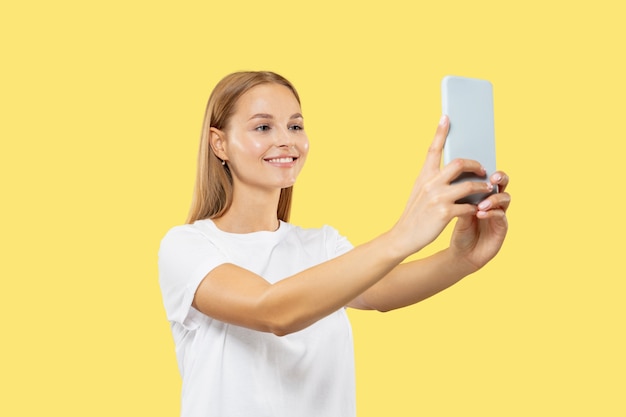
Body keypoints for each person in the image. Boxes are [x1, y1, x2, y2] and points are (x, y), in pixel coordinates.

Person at [158, 71, 511, 417]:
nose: (286, 140)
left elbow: (381, 291)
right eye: (263, 127)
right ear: (220, 143)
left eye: (295, 126)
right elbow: (271, 310)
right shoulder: (188, 246)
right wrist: (402, 234)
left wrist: (462, 259)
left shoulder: (322, 245)